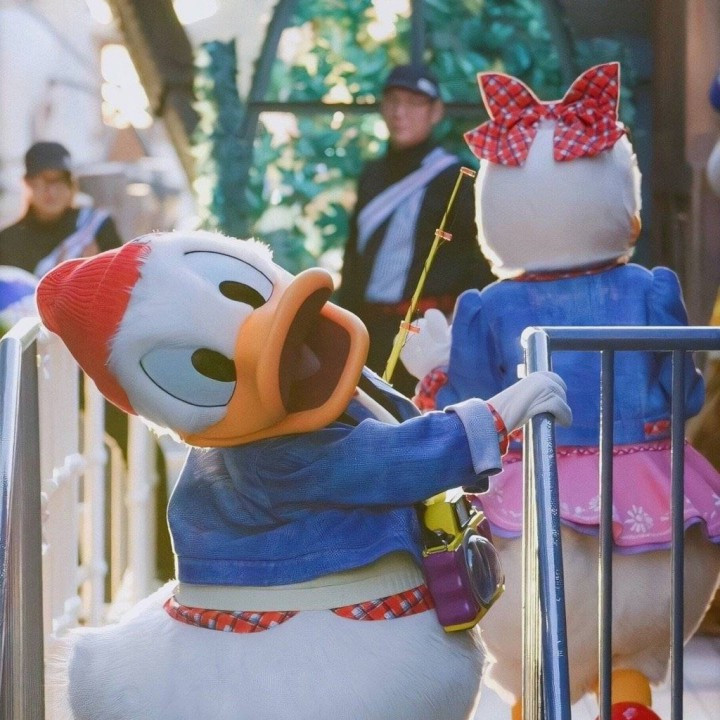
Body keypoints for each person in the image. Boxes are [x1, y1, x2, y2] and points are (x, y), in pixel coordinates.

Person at [337, 64, 494, 397]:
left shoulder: (455, 176)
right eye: (393, 101)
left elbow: (481, 259)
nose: (400, 112)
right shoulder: (371, 175)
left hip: (427, 335)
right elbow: (354, 258)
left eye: (413, 102)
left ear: (435, 112)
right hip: (368, 331)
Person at [0, 141, 122, 277]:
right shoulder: (8, 241)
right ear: (28, 183)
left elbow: (122, 280)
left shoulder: (96, 227)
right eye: (44, 180)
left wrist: (94, 273)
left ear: (71, 184)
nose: (51, 191)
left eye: (59, 180)